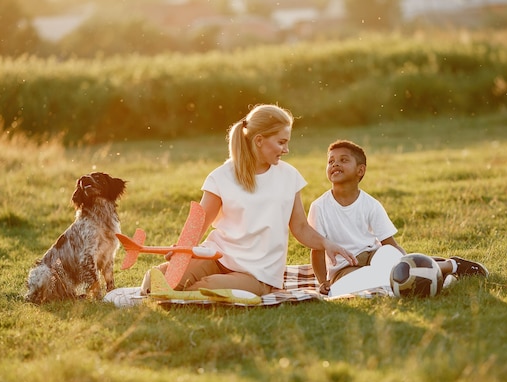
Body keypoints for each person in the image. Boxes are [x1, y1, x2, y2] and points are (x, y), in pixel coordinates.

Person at [146, 104, 357, 296]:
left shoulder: (289, 176)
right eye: (281, 142)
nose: (286, 150)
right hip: (218, 258)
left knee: (205, 288)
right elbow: (199, 222)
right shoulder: (222, 176)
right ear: (259, 140)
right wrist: (181, 252)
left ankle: (182, 293)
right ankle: (166, 287)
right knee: (160, 281)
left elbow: (300, 227)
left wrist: (326, 243)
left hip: (258, 273)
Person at [307, 139, 488, 295]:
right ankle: (440, 271)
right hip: (345, 270)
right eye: (330, 161)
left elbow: (389, 244)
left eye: (343, 160)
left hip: (373, 255)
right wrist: (323, 282)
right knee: (340, 290)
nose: (335, 164)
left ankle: (449, 266)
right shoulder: (319, 207)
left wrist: (408, 262)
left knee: (389, 258)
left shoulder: (371, 204)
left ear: (360, 171)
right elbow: (316, 250)